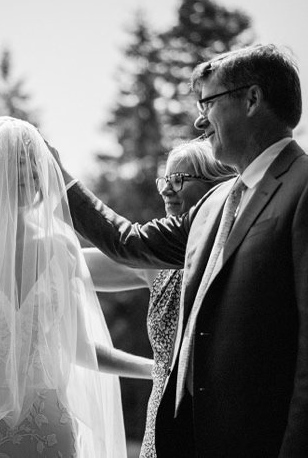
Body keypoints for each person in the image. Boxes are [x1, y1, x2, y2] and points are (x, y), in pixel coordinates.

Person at [54, 43, 308, 457]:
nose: (200, 120)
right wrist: (58, 176)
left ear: (252, 99)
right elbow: (128, 243)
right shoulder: (212, 204)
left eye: (208, 103)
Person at [0, 117, 153, 457]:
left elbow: (80, 349)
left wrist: (157, 369)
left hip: (49, 426)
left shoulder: (61, 248)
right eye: (17, 164)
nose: (29, 176)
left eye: (33, 164)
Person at [81, 138, 236, 458]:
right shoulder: (155, 265)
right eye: (164, 180)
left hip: (220, 424)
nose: (166, 189)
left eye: (178, 180)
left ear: (216, 186)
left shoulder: (234, 252)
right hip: (163, 425)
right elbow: (70, 264)